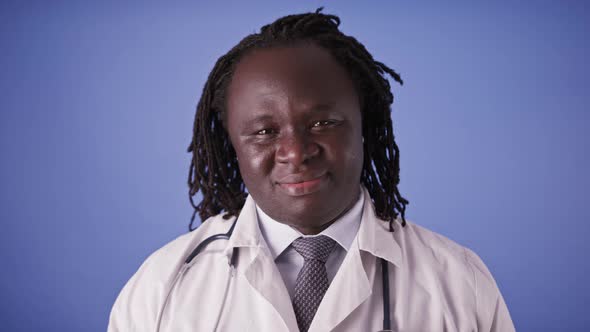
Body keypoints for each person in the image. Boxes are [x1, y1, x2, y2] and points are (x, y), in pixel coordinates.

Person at [108, 9, 515, 332]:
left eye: (323, 123)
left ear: (365, 126)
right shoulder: (160, 288)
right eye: (265, 131)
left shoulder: (460, 285)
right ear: (231, 145)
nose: (296, 152)